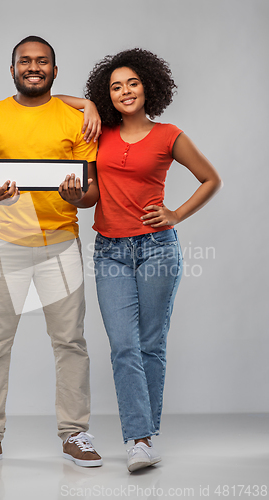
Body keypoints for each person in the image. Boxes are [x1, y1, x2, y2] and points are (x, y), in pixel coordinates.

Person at [59, 48, 222, 472]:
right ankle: (139, 436)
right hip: (110, 250)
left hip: (157, 248)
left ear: (149, 86)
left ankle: (141, 440)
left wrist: (176, 213)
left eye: (132, 83)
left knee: (150, 344)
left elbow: (211, 179)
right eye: (114, 87)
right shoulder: (99, 134)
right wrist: (89, 104)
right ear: (107, 96)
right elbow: (54, 100)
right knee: (123, 346)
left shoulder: (169, 135)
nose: (125, 91)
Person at [0, 36, 103, 469]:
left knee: (70, 342)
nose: (33, 67)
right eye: (25, 61)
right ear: (13, 68)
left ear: (55, 71)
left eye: (42, 62)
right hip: (5, 244)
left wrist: (77, 198)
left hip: (60, 243)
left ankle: (75, 434)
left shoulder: (76, 120)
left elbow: (91, 191)